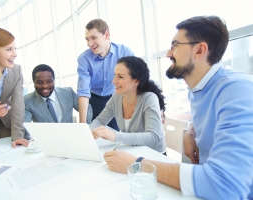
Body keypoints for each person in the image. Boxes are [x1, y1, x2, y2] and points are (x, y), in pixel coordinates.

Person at [103, 16, 253, 199]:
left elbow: (225, 184)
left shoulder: (237, 89)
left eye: (175, 45)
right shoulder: (198, 88)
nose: (168, 53)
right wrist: (191, 132)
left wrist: (137, 163)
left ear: (199, 50)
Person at [90, 56, 166, 153]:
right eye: (115, 75)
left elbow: (154, 138)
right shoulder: (116, 98)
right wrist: (90, 134)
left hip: (154, 155)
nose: (113, 81)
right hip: (132, 151)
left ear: (136, 81)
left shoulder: (149, 98)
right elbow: (100, 120)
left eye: (120, 77)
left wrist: (114, 135)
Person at [77, 19, 134, 131]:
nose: (89, 43)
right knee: (92, 132)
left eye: (93, 38)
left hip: (115, 97)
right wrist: (82, 124)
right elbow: (83, 91)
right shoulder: (84, 59)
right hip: (93, 99)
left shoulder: (124, 52)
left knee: (114, 132)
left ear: (106, 35)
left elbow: (136, 80)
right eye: (87, 39)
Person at [24, 64, 92, 127]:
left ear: (53, 80)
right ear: (33, 82)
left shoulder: (68, 93)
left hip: (69, 137)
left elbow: (87, 108)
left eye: (49, 81)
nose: (45, 86)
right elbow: (25, 126)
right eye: (40, 82)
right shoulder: (27, 101)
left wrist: (84, 127)